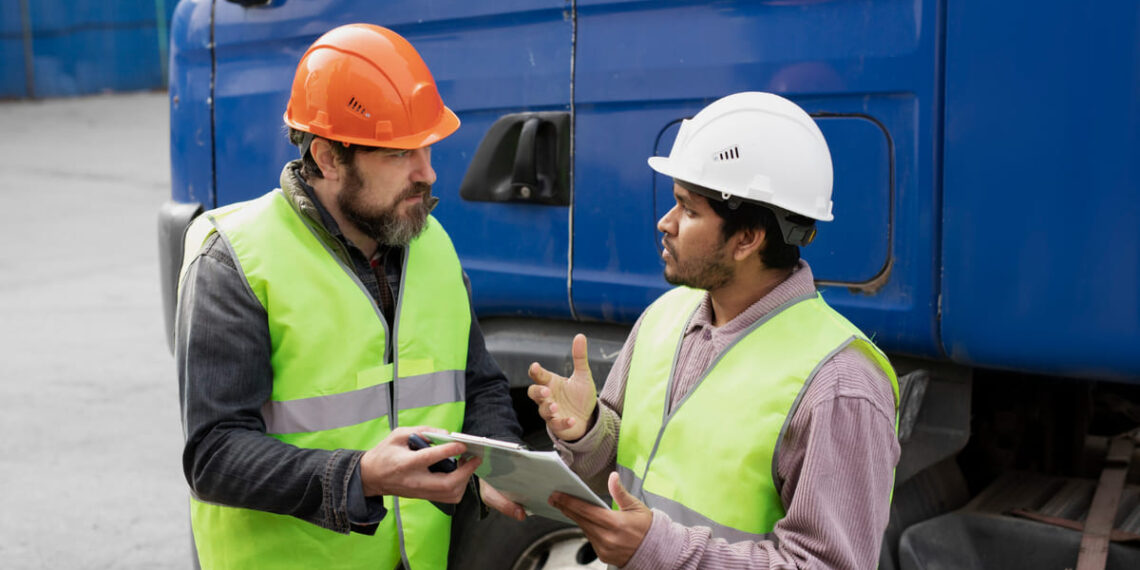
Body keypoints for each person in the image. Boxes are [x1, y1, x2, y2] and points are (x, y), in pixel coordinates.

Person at [175, 23, 525, 570]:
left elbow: (477, 383)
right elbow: (215, 454)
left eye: (427, 148)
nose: (427, 173)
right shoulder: (234, 260)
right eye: (398, 155)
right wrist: (360, 477)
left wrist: (502, 465)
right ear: (330, 158)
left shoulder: (431, 244)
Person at [528, 92, 900, 569]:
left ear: (747, 238)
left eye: (688, 209)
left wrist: (659, 551)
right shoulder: (666, 316)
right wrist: (588, 432)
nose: (665, 223)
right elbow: (627, 482)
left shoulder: (840, 385)